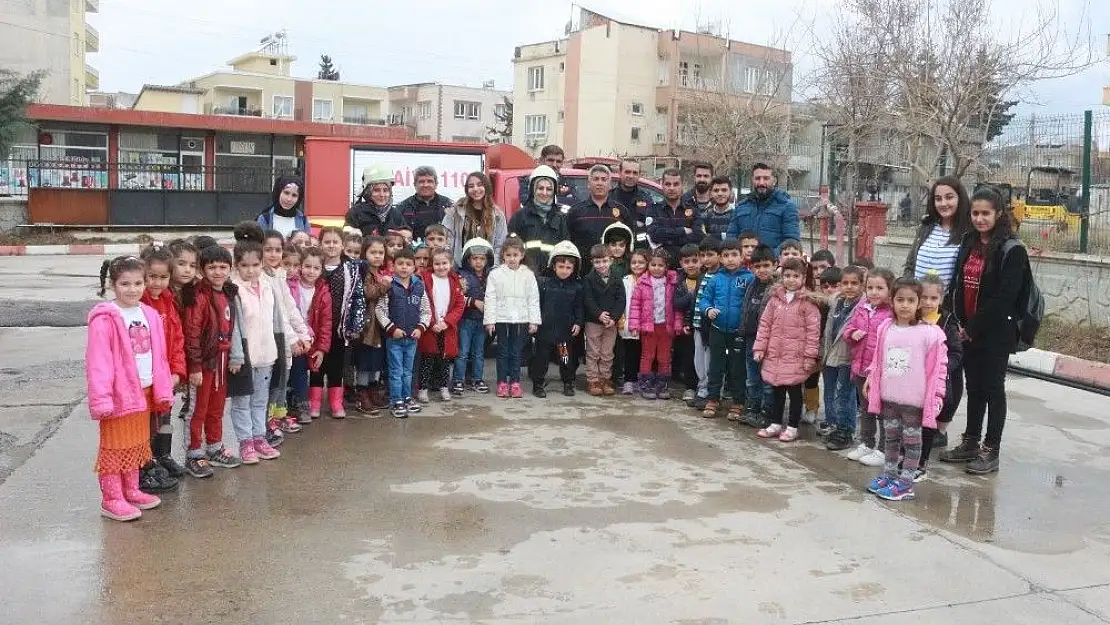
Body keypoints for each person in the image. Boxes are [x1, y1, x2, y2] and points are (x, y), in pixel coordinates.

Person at [940, 187, 1029, 475]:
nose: (979, 219)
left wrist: (974, 327)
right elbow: (957, 284)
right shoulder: (968, 242)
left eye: (985, 213)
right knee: (975, 387)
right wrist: (958, 322)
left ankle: (991, 450)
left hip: (996, 332)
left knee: (992, 388)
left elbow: (1005, 297)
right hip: (967, 330)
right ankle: (970, 441)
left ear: (999, 214)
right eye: (975, 213)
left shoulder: (1012, 250)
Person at [88, 256, 174, 521]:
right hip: (117, 396)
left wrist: (163, 387)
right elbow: (98, 362)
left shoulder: (148, 313)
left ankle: (132, 490)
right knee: (114, 447)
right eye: (125, 283)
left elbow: (159, 355)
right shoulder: (105, 318)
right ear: (113, 284)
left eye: (138, 282)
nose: (133, 289)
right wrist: (102, 399)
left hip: (144, 392)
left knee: (136, 443)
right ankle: (111, 498)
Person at [863, 277, 948, 501]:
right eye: (900, 299)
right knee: (890, 439)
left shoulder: (930, 333)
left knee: (911, 444)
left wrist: (937, 396)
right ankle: (889, 475)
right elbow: (877, 360)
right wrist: (871, 379)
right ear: (891, 301)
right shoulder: (885, 328)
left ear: (919, 303)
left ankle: (906, 483)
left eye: (911, 300)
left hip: (914, 402)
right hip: (889, 398)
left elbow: (940, 369)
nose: (905, 305)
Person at [227, 238, 288, 465]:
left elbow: (276, 321)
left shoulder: (268, 286)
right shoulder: (234, 290)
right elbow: (233, 327)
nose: (250, 270)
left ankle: (259, 437)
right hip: (244, 356)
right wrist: (236, 355)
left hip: (267, 355)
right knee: (242, 401)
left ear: (262, 264)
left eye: (255, 265)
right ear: (236, 266)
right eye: (245, 265)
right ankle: (245, 442)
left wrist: (281, 350)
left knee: (261, 400)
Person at [183, 244, 241, 477]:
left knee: (217, 407)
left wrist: (234, 356)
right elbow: (192, 332)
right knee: (198, 408)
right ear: (202, 269)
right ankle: (194, 453)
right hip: (205, 362)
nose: (218, 272)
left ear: (230, 268)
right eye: (212, 267)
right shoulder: (199, 295)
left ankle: (215, 446)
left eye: (223, 267)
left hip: (222, 359)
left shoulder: (227, 292)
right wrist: (194, 365)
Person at [752, 257, 822, 442]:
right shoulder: (775, 300)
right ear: (782, 276)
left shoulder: (808, 303)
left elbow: (813, 332)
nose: (791, 279)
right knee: (777, 390)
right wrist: (760, 348)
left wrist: (809, 357)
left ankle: (792, 426)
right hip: (775, 355)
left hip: (796, 357)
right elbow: (765, 325)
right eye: (787, 275)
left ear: (803, 278)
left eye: (796, 276)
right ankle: (775, 423)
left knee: (794, 392)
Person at [136, 245, 186, 493]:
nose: (156, 283)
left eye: (163, 277)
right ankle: (143, 465)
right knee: (145, 422)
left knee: (164, 418)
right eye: (151, 277)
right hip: (145, 378)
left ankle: (162, 456)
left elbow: (177, 339)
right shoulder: (138, 304)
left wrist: (178, 370)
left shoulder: (169, 302)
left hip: (166, 375)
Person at [258, 226, 313, 442]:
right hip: (272, 340)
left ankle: (279, 416)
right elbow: (276, 315)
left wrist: (303, 334)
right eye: (268, 250)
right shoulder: (261, 278)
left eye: (277, 250)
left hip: (284, 339)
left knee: (282, 382)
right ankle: (266, 422)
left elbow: (290, 309)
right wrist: (293, 339)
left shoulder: (279, 275)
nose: (273, 254)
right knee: (271, 385)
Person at [309, 227, 365, 419]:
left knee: (336, 366)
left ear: (342, 245)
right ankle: (314, 403)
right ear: (320, 244)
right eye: (327, 242)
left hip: (340, 328)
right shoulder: (314, 266)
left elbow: (358, 296)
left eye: (335, 242)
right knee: (316, 366)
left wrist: (355, 324)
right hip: (316, 327)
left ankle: (335, 402)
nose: (331, 246)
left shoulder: (351, 268)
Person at [843, 268, 895, 466]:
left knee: (882, 412)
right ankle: (866, 442)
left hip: (880, 373)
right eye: (870, 287)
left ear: (890, 291)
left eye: (880, 288)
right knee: (866, 410)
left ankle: (883, 449)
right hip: (859, 367)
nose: (874, 292)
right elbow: (849, 329)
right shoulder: (862, 307)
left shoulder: (890, 313)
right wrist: (852, 333)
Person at [698, 239, 753, 419]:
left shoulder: (749, 279)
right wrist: (708, 310)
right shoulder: (716, 279)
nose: (730, 259)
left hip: (739, 332)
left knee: (737, 368)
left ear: (741, 256)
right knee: (716, 366)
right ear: (720, 259)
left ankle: (738, 402)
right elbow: (704, 300)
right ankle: (713, 398)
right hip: (718, 329)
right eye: (726, 256)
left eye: (734, 255)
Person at [375, 248, 431, 418]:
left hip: (412, 338)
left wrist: (421, 327)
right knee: (396, 371)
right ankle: (396, 400)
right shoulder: (389, 286)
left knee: (408, 371)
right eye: (400, 264)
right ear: (393, 266)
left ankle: (407, 397)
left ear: (414, 267)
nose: (404, 267)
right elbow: (380, 310)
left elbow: (426, 311)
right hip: (394, 339)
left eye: (408, 264)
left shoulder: (419, 286)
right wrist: (392, 329)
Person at [917, 272, 963, 477]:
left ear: (941, 299)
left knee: (929, 422)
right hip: (913, 381)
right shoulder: (911, 319)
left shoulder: (946, 322)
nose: (928, 302)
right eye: (924, 297)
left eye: (933, 298)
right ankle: (904, 457)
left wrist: (940, 368)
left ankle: (921, 463)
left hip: (936, 383)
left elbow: (956, 352)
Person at [483, 237, 541, 399]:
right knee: (502, 352)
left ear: (522, 255)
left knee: (516, 352)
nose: (512, 258)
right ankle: (502, 382)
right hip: (501, 319)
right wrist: (490, 321)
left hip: (521, 319)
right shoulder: (496, 274)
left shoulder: (528, 275)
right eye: (508, 255)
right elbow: (490, 298)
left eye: (515, 255)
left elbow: (533, 298)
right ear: (503, 256)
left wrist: (534, 320)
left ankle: (515, 382)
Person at [628, 250, 684, 400]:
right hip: (648, 327)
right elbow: (635, 305)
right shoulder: (643, 282)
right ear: (648, 265)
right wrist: (634, 325)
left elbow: (677, 306)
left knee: (664, 357)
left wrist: (678, 324)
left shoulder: (672, 282)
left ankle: (662, 384)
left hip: (666, 327)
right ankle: (645, 384)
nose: (657, 268)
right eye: (653, 264)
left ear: (666, 267)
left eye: (661, 265)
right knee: (648, 356)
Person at [531, 241, 584, 397]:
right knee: (542, 359)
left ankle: (568, 382)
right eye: (561, 267)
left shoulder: (577, 287)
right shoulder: (543, 284)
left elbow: (579, 308)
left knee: (566, 359)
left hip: (564, 333)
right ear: (553, 266)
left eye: (568, 267)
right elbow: (536, 304)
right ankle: (538, 384)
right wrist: (534, 322)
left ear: (574, 268)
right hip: (544, 332)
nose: (564, 271)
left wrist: (578, 322)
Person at [820, 265, 863, 452]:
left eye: (854, 283)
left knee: (844, 395)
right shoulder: (836, 301)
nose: (849, 287)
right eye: (845, 283)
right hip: (830, 354)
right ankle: (834, 425)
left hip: (848, 358)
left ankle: (846, 430)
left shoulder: (863, 307)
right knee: (830, 392)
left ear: (863, 285)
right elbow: (828, 327)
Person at [286, 246, 332, 425]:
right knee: (289, 372)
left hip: (310, 341)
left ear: (321, 270)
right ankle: (288, 406)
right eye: (307, 266)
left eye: (316, 268)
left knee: (302, 373)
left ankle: (301, 405)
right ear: (300, 266)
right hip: (292, 336)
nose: (311, 271)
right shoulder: (291, 286)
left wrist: (321, 349)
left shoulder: (323, 292)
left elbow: (326, 324)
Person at [903, 177, 972, 288]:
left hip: (947, 303)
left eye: (949, 197)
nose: (943, 203)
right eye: (938, 199)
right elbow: (910, 266)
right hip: (917, 302)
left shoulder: (969, 233)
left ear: (960, 199)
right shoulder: (925, 228)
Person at [417, 247, 465, 403]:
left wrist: (447, 322)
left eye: (444, 263)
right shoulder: (425, 278)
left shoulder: (454, 282)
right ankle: (423, 388)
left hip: (446, 328)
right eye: (437, 263)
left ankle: (444, 387)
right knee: (427, 359)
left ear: (450, 264)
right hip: (430, 327)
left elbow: (459, 305)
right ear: (432, 264)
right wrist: (431, 323)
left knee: (445, 360)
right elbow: (423, 304)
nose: (441, 267)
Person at [738, 245, 777, 429]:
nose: (762, 270)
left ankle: (767, 413)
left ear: (775, 265)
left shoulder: (777, 289)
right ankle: (753, 408)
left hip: (769, 342)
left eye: (766, 265)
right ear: (752, 267)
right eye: (758, 266)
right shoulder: (751, 284)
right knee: (752, 376)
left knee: (767, 379)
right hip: (750, 338)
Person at [567, 165, 635, 270]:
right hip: (584, 274)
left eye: (604, 179)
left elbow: (630, 244)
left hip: (614, 274)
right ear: (588, 184)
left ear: (610, 185)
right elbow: (568, 243)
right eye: (595, 179)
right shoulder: (575, 211)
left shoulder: (622, 211)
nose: (599, 183)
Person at [726, 163, 801, 253]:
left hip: (772, 264)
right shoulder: (741, 207)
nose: (761, 183)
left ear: (774, 180)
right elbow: (731, 239)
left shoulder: (787, 206)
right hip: (743, 264)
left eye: (766, 178)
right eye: (757, 178)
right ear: (752, 180)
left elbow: (791, 241)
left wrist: (768, 257)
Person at [583, 243, 626, 396]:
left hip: (611, 324)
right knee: (593, 351)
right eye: (597, 262)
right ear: (592, 262)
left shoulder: (617, 278)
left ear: (611, 261)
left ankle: (605, 378)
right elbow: (588, 299)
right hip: (594, 321)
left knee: (607, 352)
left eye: (604, 261)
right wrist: (599, 314)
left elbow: (621, 299)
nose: (601, 265)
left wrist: (614, 317)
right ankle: (593, 379)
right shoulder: (588, 279)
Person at [353, 236, 390, 415]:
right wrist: (384, 285)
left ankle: (372, 390)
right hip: (367, 326)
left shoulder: (380, 273)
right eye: (373, 252)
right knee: (365, 361)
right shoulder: (364, 272)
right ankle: (362, 393)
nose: (377, 256)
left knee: (376, 360)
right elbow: (367, 292)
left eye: (380, 252)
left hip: (380, 325)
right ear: (364, 253)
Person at [508, 165, 570, 269]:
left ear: (554, 192)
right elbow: (510, 249)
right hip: (526, 276)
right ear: (533, 190)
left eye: (549, 189)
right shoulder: (519, 217)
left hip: (552, 278)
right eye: (540, 188)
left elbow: (565, 250)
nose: (544, 193)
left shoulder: (560, 219)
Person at [453, 238, 494, 395]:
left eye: (482, 258)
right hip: (466, 319)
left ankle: (477, 379)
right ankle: (458, 380)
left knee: (479, 352)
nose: (478, 262)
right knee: (462, 351)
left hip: (482, 321)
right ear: (467, 259)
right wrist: (473, 302)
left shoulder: (491, 276)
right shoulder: (461, 275)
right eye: (475, 258)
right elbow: (456, 297)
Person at [444, 172, 508, 266]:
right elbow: (446, 240)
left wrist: (493, 267)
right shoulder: (455, 211)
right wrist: (451, 266)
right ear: (466, 189)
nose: (475, 189)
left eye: (479, 185)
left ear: (486, 187)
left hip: (487, 270)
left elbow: (500, 245)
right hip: (460, 269)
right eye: (471, 186)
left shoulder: (498, 215)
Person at [688, 237, 721, 408]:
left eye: (710, 255)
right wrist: (689, 321)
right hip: (698, 325)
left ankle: (710, 392)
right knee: (698, 359)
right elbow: (695, 301)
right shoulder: (702, 276)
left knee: (710, 360)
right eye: (703, 255)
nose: (706, 259)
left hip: (713, 327)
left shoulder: (721, 276)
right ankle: (701, 389)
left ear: (719, 256)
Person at [647, 168, 701, 266]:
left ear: (682, 186)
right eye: (668, 184)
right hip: (661, 269)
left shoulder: (693, 210)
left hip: (687, 268)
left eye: (676, 184)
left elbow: (697, 237)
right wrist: (682, 230)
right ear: (662, 185)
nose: (671, 188)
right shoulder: (653, 209)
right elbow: (654, 236)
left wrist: (667, 240)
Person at [615, 249, 649, 395]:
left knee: (644, 354)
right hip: (628, 323)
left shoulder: (650, 280)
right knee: (629, 353)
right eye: (634, 262)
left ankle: (641, 381)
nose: (637, 265)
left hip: (646, 325)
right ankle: (629, 381)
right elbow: (621, 301)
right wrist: (621, 318)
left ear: (647, 263)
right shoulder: (625, 280)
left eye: (641, 262)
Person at [344, 165, 408, 238]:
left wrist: (407, 233)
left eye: (385, 190)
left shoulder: (395, 214)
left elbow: (405, 239)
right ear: (368, 192)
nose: (382, 195)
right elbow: (348, 240)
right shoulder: (356, 213)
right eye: (376, 190)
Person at [672, 244, 701, 401]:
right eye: (687, 261)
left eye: (694, 260)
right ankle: (690, 387)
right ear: (682, 263)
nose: (691, 264)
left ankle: (703, 386)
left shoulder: (706, 278)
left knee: (702, 358)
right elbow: (676, 304)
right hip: (686, 326)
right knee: (688, 356)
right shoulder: (679, 282)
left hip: (702, 325)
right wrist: (690, 296)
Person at [397, 166, 453, 243]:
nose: (425, 185)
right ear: (415, 185)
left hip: (442, 252)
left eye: (429, 181)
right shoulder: (402, 208)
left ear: (436, 184)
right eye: (421, 181)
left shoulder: (448, 205)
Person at [608, 159, 654, 248]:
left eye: (635, 173)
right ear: (620, 173)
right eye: (627, 172)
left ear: (639, 175)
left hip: (639, 251)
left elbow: (651, 228)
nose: (631, 176)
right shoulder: (609, 198)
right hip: (614, 249)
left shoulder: (647, 199)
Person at [695, 176, 735, 240]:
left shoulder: (737, 215)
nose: (720, 193)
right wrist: (725, 235)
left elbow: (737, 237)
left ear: (730, 192)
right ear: (711, 193)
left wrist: (711, 236)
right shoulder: (704, 216)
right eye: (716, 190)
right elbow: (701, 238)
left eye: (724, 190)